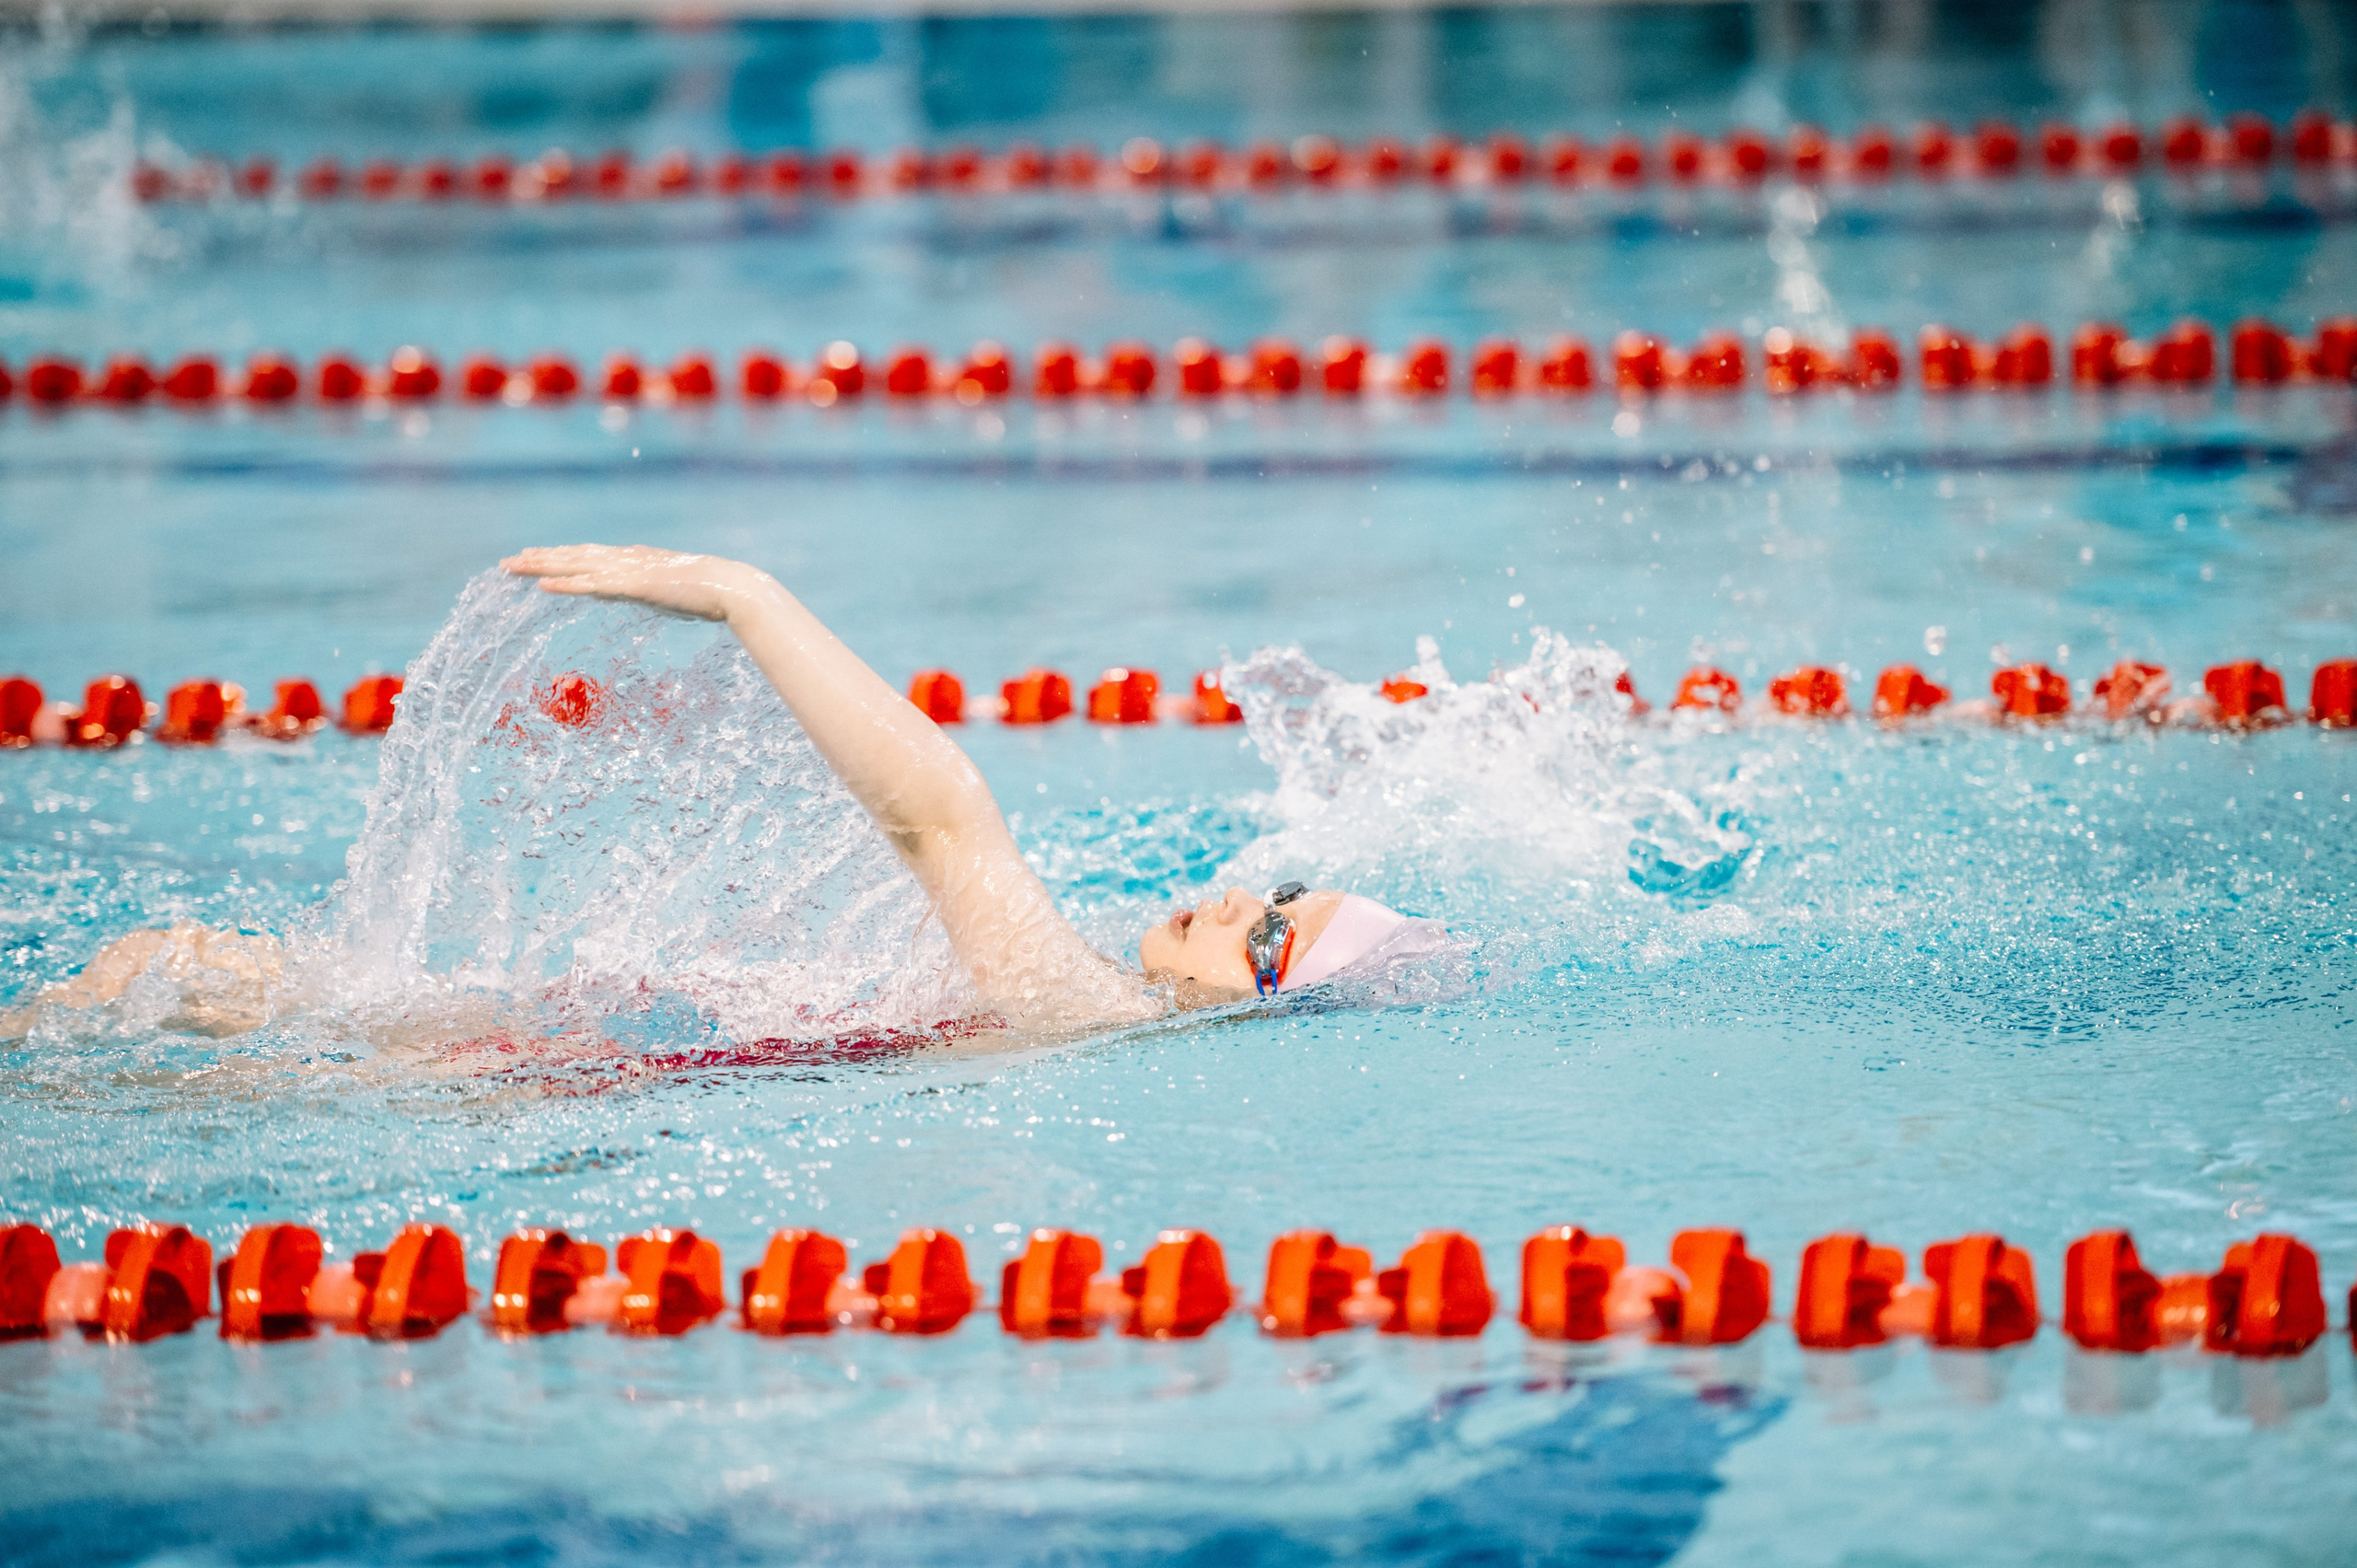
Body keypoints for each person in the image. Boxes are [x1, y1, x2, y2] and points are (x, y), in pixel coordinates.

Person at [2, 546, 1436, 1041]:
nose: (1247, 896)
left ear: (1257, 1009)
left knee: (158, 979)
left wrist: (740, 595)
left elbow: (939, 811)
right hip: (584, 1054)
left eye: (1270, 937)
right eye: (1282, 892)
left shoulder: (1089, 1012)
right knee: (165, 979)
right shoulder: (1098, 1013)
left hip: (518, 1080)